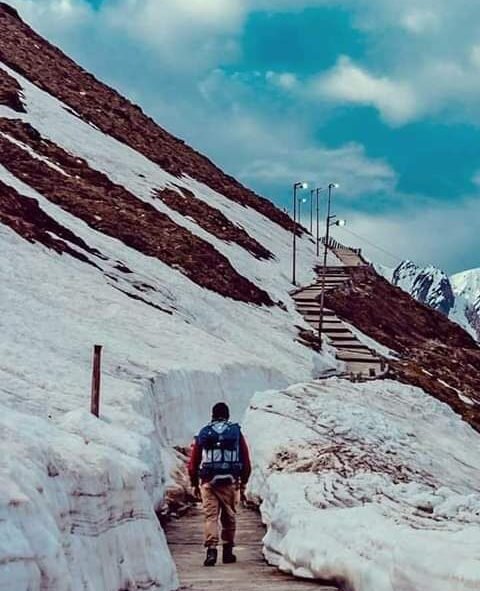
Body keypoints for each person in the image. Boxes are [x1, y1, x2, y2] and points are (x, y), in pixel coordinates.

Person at [188, 402, 251, 567]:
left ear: (213, 415)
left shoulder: (204, 432)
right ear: (227, 415)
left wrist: (194, 483)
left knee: (211, 517)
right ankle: (228, 552)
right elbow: (245, 458)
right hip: (230, 482)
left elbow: (194, 461)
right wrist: (243, 481)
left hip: (208, 481)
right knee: (229, 517)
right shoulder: (235, 432)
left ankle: (211, 551)